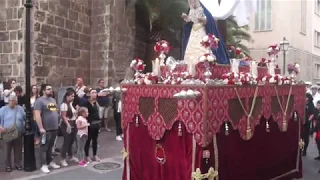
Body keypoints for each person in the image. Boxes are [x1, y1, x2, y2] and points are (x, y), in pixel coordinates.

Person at [182, 0, 229, 65]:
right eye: (190, 2)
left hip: (201, 32)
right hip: (193, 33)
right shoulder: (190, 11)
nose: (191, 3)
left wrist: (203, 19)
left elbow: (208, 21)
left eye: (193, 1)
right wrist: (187, 20)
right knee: (191, 50)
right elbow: (190, 22)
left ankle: (205, 62)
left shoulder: (203, 11)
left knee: (202, 47)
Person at [34, 84, 61, 173]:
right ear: (43, 91)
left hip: (54, 127)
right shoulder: (39, 101)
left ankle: (50, 162)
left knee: (50, 147)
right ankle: (43, 164)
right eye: (48, 89)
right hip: (46, 129)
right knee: (44, 147)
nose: (51, 90)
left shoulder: (52, 100)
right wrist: (41, 128)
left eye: (51, 89)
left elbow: (54, 111)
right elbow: (37, 115)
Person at [0, 95, 25, 172]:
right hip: (6, 132)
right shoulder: (3, 109)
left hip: (18, 132)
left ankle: (18, 164)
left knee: (18, 149)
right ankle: (8, 166)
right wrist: (0, 127)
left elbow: (25, 118)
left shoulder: (20, 109)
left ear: (16, 101)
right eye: (10, 100)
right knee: (7, 150)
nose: (11, 102)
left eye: (13, 100)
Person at [60, 90, 79, 167]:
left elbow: (74, 116)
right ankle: (63, 158)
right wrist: (68, 125)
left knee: (71, 141)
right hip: (67, 124)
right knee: (66, 141)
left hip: (73, 123)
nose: (73, 97)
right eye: (72, 96)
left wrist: (77, 110)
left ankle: (70, 156)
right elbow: (63, 116)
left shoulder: (71, 104)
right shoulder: (64, 105)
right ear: (67, 96)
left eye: (73, 96)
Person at [83, 89, 101, 162]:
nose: (94, 94)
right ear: (89, 94)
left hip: (96, 124)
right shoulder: (86, 103)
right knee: (88, 140)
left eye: (95, 93)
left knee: (95, 141)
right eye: (92, 93)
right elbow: (84, 113)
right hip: (90, 124)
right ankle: (87, 156)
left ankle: (94, 155)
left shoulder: (96, 102)